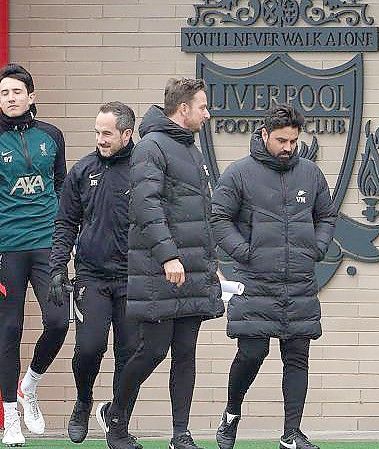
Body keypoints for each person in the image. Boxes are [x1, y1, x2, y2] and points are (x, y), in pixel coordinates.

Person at [95, 78, 224, 449]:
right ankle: (115, 416)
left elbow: (198, 216)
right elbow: (146, 206)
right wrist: (169, 255)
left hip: (193, 271)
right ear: (183, 109)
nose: (207, 113)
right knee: (152, 350)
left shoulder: (191, 151)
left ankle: (180, 435)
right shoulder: (152, 147)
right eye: (202, 106)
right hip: (161, 270)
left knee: (185, 353)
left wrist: (208, 263)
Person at [211, 104, 337, 449]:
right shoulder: (238, 173)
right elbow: (219, 219)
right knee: (251, 353)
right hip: (255, 282)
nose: (288, 147)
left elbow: (326, 216)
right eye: (281, 140)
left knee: (297, 356)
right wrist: (246, 253)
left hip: (299, 282)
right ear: (264, 134)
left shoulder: (310, 174)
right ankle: (231, 414)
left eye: (293, 141)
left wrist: (317, 247)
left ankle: (291, 433)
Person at [48, 102, 140, 445]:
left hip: (134, 279)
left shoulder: (144, 169)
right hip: (92, 276)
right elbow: (65, 223)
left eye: (107, 133)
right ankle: (84, 401)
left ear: (126, 134)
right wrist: (58, 267)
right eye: (97, 133)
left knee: (129, 353)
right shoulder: (82, 170)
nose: (100, 139)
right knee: (89, 348)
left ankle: (117, 421)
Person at [0, 63, 68, 446]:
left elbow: (60, 187)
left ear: (31, 96)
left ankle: (30, 385)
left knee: (58, 321)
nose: (10, 98)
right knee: (9, 330)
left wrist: (62, 238)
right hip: (7, 248)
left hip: (47, 244)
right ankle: (10, 416)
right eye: (4, 93)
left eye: (16, 92)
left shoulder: (52, 136)